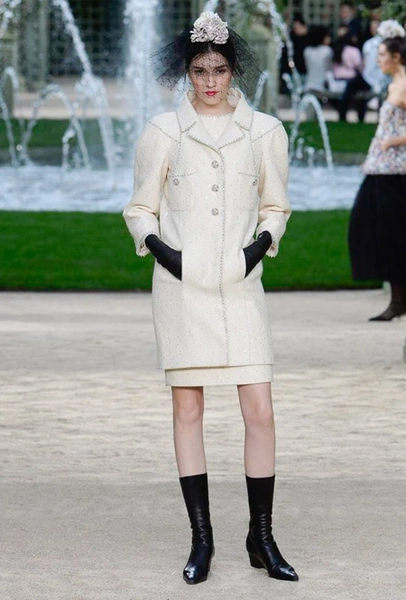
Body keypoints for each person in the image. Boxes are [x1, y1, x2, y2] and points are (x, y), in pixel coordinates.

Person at [123, 10, 298, 586]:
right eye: (200, 71)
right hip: (180, 291)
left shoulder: (265, 131)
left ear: (234, 70)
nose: (210, 81)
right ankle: (202, 539)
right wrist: (167, 255)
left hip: (242, 288)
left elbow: (276, 205)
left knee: (260, 409)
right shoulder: (163, 131)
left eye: (219, 70)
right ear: (187, 72)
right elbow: (140, 208)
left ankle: (261, 537)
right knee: (188, 409)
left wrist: (256, 249)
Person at [348, 22, 406, 321]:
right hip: (381, 169)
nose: (377, 59)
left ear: (396, 57)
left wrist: (391, 142)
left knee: (391, 235)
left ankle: (398, 301)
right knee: (374, 231)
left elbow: (393, 133)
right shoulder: (394, 84)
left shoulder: (404, 85)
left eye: (382, 54)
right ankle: (398, 299)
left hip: (396, 173)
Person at [339, 18, 385, 122]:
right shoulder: (367, 44)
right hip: (367, 76)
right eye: (372, 27)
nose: (374, 29)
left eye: (376, 27)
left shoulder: (385, 44)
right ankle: (355, 116)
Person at [328, 29, 363, 104]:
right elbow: (359, 66)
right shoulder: (354, 50)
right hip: (350, 80)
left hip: (337, 79)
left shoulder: (337, 49)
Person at [303, 24, 333, 92]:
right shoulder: (327, 50)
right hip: (321, 86)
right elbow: (329, 68)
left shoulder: (307, 50)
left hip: (308, 84)